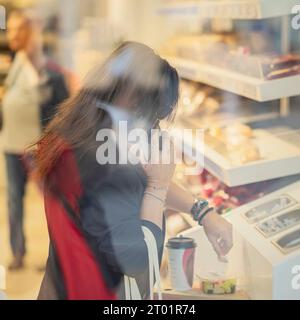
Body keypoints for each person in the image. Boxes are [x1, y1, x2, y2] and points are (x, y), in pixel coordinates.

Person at [35, 42, 232, 300]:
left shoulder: (83, 130)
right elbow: (139, 259)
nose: (154, 125)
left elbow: (139, 174)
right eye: (154, 116)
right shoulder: (94, 161)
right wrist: (157, 188)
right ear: (135, 101)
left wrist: (202, 212)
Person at [1, 10, 69, 270]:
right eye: (11, 29)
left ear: (33, 33)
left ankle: (57, 255)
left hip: (37, 149)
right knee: (13, 202)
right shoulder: (15, 61)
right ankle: (18, 252)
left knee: (51, 202)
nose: (13, 35)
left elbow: (59, 107)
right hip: (10, 145)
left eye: (20, 29)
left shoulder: (47, 68)